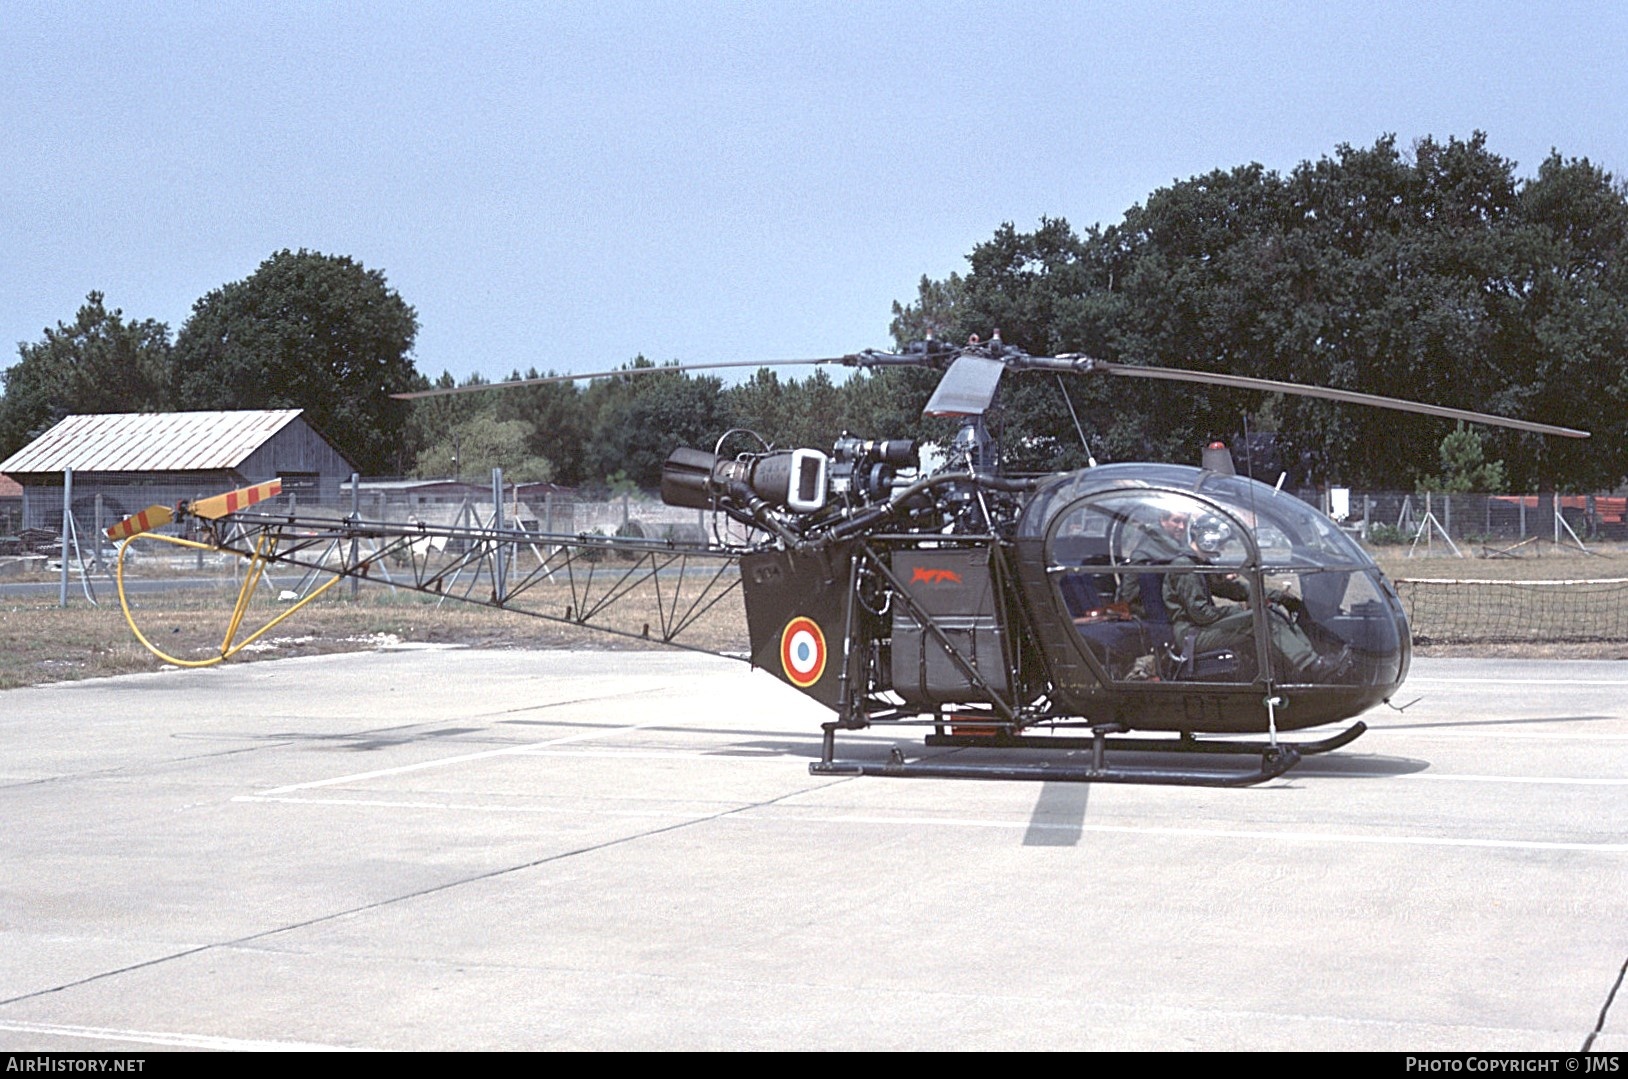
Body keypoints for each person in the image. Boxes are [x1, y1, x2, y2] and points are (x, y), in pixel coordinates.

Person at [1122, 507, 1350, 682]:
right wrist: (1243, 609)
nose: (1221, 548)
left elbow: (1235, 589)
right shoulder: (1186, 566)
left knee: (1270, 612)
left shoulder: (1199, 563)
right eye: (1219, 542)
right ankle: (1313, 667)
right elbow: (1202, 614)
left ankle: (1307, 663)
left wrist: (1277, 596)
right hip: (1192, 634)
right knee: (1263, 619)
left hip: (1199, 629)